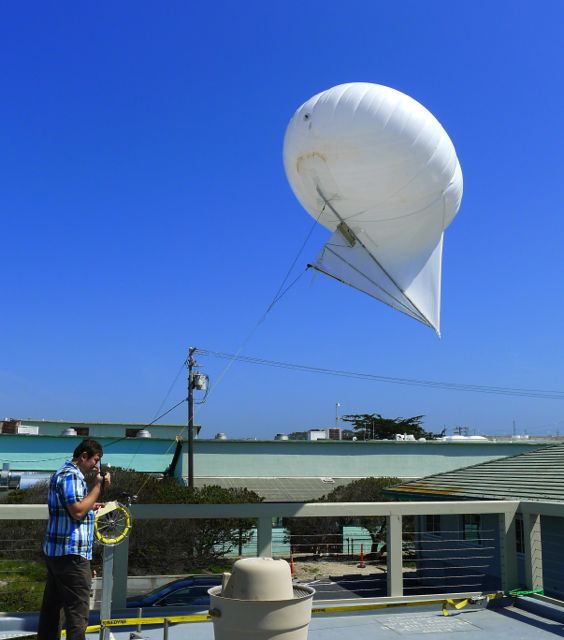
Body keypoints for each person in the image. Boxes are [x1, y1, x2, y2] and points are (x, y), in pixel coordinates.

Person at [37, 439, 111, 640]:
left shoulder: (62, 472)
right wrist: (98, 487)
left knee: (52, 611)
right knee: (77, 616)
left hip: (56, 553)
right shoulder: (72, 475)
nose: (96, 465)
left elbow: (72, 508)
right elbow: (77, 511)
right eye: (95, 460)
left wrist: (90, 507)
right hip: (71, 556)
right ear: (83, 456)